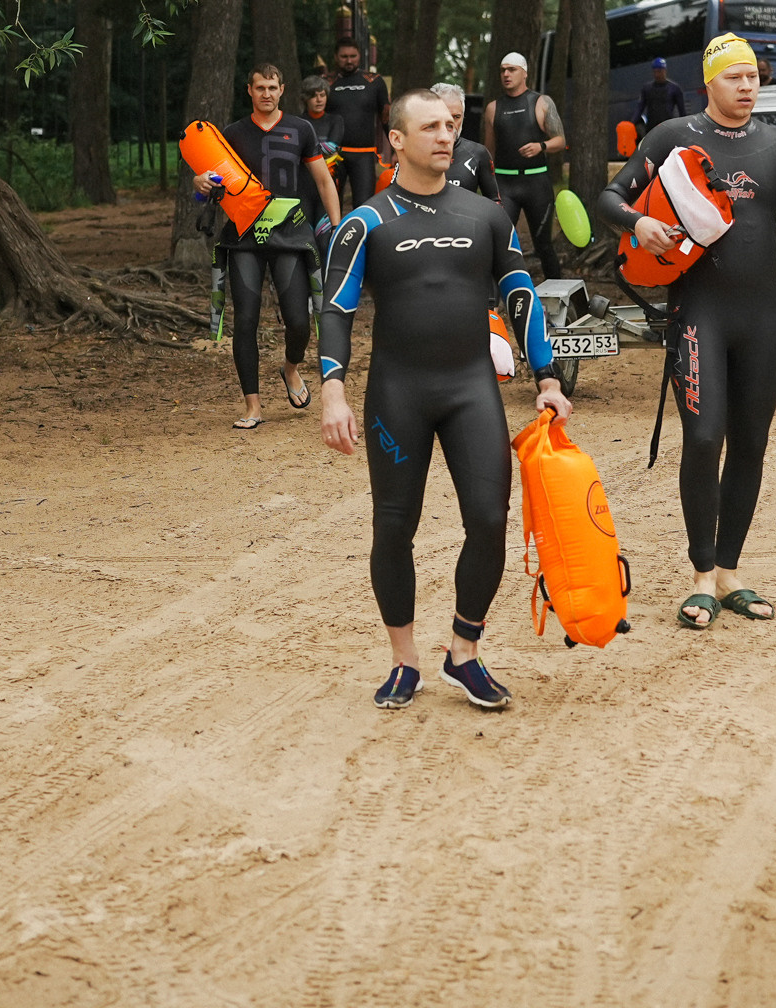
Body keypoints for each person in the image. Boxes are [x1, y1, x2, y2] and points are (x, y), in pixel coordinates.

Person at [597, 33, 776, 630]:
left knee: (751, 443)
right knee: (702, 437)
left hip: (761, 316)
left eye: (753, 77)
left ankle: (729, 574)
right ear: (708, 84)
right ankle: (699, 577)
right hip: (699, 315)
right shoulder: (673, 138)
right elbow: (608, 197)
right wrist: (641, 223)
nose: (747, 87)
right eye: (733, 78)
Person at [320, 88, 571, 711]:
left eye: (451, 125)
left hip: (470, 389)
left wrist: (547, 376)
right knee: (394, 527)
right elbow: (337, 307)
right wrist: (332, 390)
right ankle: (404, 661)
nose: (445, 135)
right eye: (429, 126)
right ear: (396, 141)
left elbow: (519, 293)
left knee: (489, 519)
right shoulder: (365, 223)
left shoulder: (486, 217)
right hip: (397, 394)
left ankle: (464, 652)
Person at [211, 65, 340, 430]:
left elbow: (324, 182)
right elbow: (206, 179)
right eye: (260, 87)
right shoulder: (233, 133)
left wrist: (339, 227)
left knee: (299, 321)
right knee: (246, 319)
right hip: (244, 236)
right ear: (249, 91)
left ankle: (290, 367)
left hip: (290, 234)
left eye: (272, 87)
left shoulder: (301, 129)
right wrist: (200, 181)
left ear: (282, 90)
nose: (266, 93)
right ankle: (252, 406)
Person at [484, 51, 568, 278]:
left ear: (524, 73)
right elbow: (489, 151)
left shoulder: (541, 102)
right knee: (500, 243)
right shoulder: (493, 108)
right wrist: (486, 180)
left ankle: (559, 298)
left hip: (536, 182)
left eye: (511, 70)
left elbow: (560, 140)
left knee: (544, 246)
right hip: (504, 183)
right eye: (502, 70)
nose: (506, 74)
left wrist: (541, 146)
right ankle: (493, 303)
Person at [325, 40, 391, 205]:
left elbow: (386, 117)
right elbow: (313, 117)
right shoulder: (326, 82)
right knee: (329, 205)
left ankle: (362, 232)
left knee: (364, 204)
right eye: (344, 56)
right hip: (332, 155)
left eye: (353, 56)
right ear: (336, 57)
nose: (349, 60)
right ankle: (332, 232)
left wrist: (397, 149)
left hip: (364, 153)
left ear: (359, 56)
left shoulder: (374, 81)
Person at [435, 82, 503, 206]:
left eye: (456, 117)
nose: (451, 123)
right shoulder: (414, 151)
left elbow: (495, 203)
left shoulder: (478, 153)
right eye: (444, 115)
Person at [636, 56, 688, 140]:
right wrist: (631, 123)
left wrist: (685, 128)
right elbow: (639, 108)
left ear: (664, 71)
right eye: (655, 72)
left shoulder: (674, 88)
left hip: (668, 128)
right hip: (651, 129)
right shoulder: (647, 88)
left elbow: (682, 112)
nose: (657, 75)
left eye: (659, 71)